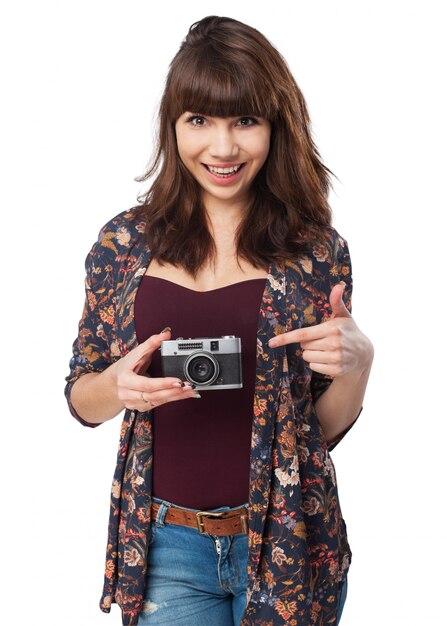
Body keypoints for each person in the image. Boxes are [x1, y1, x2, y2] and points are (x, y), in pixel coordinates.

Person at [64, 15, 374, 626]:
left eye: (246, 121)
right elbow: (81, 399)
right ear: (172, 126)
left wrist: (359, 364)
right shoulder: (124, 244)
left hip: (289, 541)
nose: (224, 148)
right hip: (165, 545)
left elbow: (321, 431)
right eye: (199, 120)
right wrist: (116, 387)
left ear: (275, 128)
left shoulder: (314, 252)